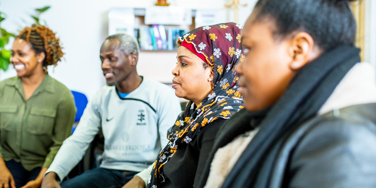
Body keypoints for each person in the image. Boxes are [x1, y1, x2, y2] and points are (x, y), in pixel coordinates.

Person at [197, 0, 376, 187]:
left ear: (297, 51)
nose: (239, 68)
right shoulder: (277, 117)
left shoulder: (344, 142)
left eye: (249, 50)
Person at [41, 33, 181, 188]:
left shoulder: (161, 95)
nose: (104, 65)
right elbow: (78, 140)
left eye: (111, 59)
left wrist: (142, 178)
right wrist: (52, 173)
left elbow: (170, 151)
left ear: (132, 59)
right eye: (102, 59)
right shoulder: (101, 97)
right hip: (108, 171)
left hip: (148, 171)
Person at [123, 22, 244, 188]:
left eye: (184, 64)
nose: (174, 70)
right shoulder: (198, 111)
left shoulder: (220, 122)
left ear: (212, 71)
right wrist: (142, 179)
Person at [0, 25, 76, 188]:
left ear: (40, 56)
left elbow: (60, 145)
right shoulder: (2, 89)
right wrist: (1, 170)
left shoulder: (62, 96)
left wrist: (40, 180)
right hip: (6, 162)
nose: (13, 59)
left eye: (21, 54)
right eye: (13, 54)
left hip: (43, 166)